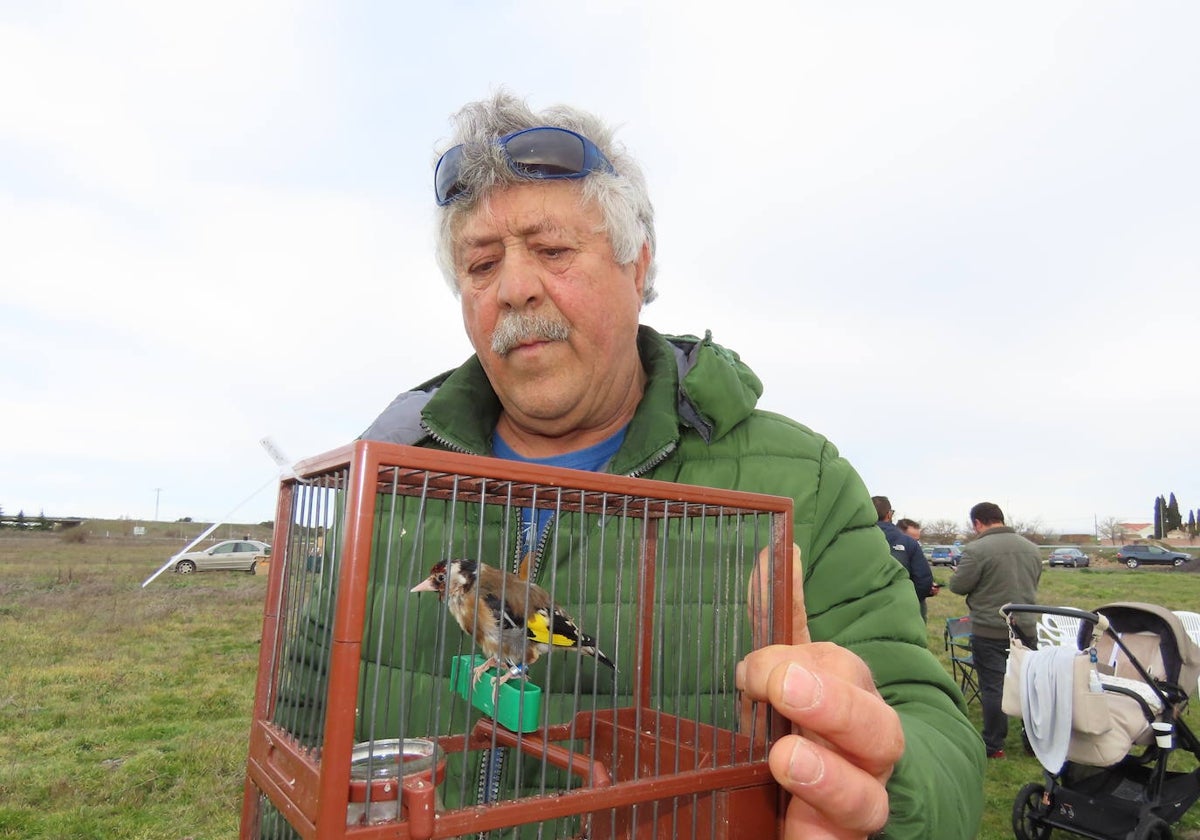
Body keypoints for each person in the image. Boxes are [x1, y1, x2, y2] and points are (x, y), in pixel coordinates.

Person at [358, 91, 984, 837]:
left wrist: (881, 788)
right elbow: (305, 720)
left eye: (552, 250)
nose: (515, 287)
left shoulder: (802, 480)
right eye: (481, 262)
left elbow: (932, 736)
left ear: (638, 265)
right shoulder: (384, 473)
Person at [948, 501, 1043, 759]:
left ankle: (994, 744)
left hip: (990, 628)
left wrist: (959, 573)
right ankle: (1034, 742)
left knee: (993, 687)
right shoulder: (1032, 549)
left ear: (978, 523)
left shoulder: (976, 550)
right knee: (1027, 686)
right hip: (1026, 627)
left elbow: (958, 586)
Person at [871, 497, 935, 621]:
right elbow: (923, 580)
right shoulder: (908, 543)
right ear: (889, 514)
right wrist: (908, 602)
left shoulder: (847, 542)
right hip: (902, 612)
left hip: (862, 614)